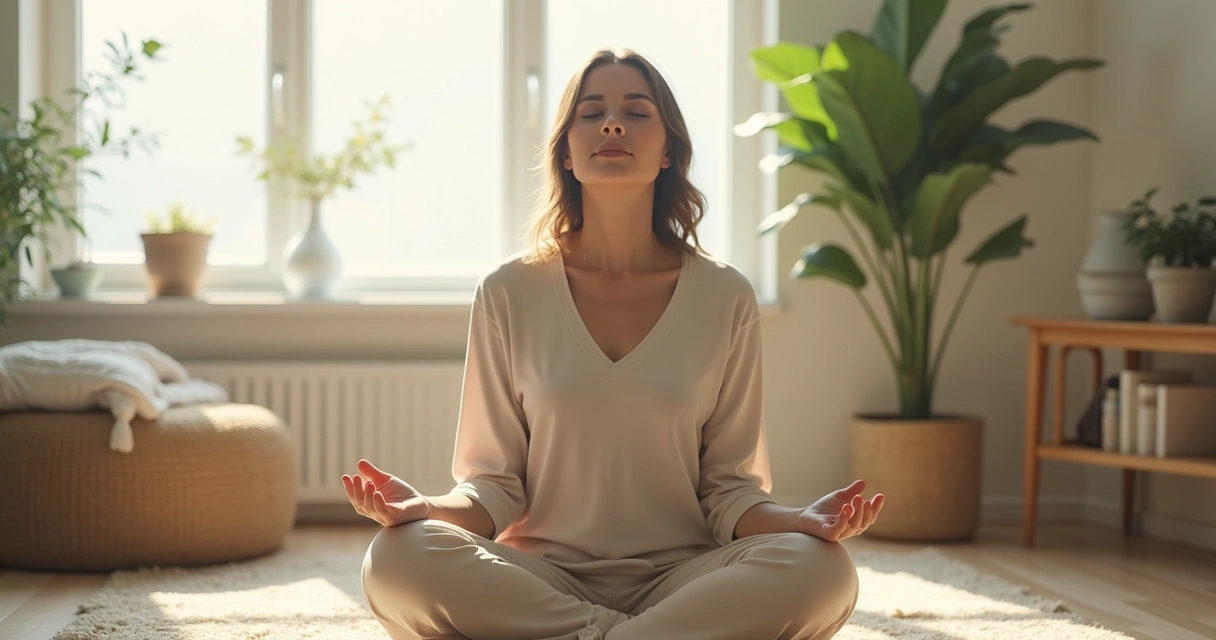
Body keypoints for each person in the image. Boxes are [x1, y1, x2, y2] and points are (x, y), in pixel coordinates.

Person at [343, 48, 885, 640]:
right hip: (542, 578)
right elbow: (494, 488)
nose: (612, 123)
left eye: (637, 111)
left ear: (669, 150)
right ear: (567, 154)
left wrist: (799, 521)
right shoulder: (508, 291)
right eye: (591, 112)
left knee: (822, 568)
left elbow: (729, 490)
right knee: (396, 557)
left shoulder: (725, 295)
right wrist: (423, 509)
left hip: (686, 578)